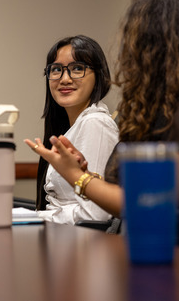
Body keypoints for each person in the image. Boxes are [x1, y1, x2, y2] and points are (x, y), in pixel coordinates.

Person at [25, 0, 179, 218]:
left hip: (178, 249)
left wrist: (77, 177)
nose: (127, 53)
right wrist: (84, 172)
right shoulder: (169, 111)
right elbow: (131, 192)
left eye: (136, 42)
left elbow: (147, 206)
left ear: (160, 50)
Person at [35, 35, 119, 224]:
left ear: (99, 76)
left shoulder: (95, 123)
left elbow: (97, 214)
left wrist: (38, 217)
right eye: (56, 70)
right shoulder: (72, 126)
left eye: (77, 69)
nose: (65, 79)